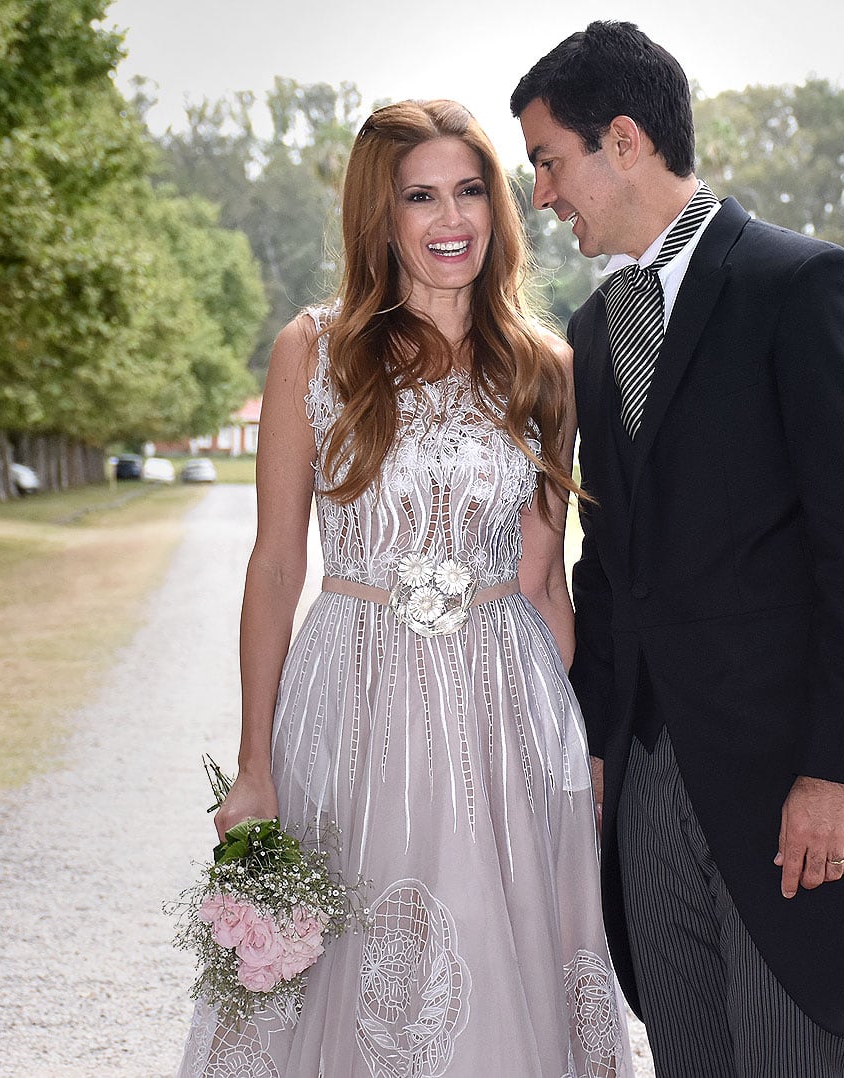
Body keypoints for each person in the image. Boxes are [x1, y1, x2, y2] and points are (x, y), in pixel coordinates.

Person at [513, 22, 844, 1077]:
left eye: (546, 161)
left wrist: (840, 768)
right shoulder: (593, 324)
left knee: (788, 1054)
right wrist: (603, 746)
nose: (541, 196)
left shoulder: (805, 287)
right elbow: (608, 563)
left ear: (623, 139)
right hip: (653, 772)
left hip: (784, 770)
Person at [183, 98, 632, 1078]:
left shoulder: (543, 367)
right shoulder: (317, 348)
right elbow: (274, 566)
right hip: (352, 695)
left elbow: (543, 579)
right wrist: (254, 763)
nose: (450, 218)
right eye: (420, 196)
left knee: (500, 947)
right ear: (378, 218)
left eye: (470, 190)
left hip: (502, 706)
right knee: (347, 963)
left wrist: (581, 752)